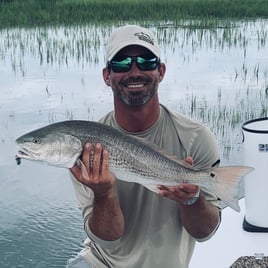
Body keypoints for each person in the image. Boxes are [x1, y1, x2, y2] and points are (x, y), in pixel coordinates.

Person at [66, 25, 221, 268]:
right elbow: (108, 239)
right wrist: (103, 193)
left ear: (161, 71)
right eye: (122, 63)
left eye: (146, 62)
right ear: (107, 75)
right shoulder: (87, 147)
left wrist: (192, 199)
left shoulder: (195, 138)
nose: (134, 71)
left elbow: (205, 232)